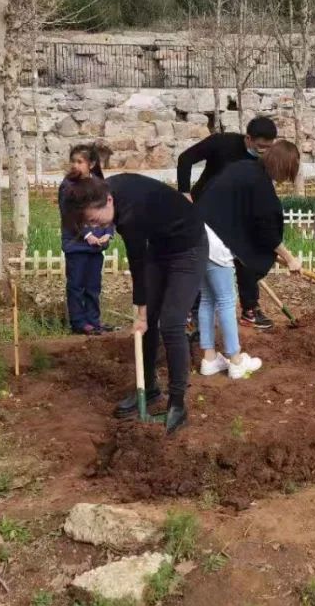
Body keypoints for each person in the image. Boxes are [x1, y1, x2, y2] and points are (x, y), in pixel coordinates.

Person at [61, 173, 207, 435]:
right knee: (148, 322)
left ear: (108, 201)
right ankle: (149, 388)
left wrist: (140, 311)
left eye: (95, 219)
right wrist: (143, 315)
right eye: (89, 223)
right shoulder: (104, 191)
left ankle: (177, 404)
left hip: (189, 247)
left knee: (171, 323)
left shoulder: (130, 213)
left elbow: (138, 265)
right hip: (160, 247)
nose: (94, 226)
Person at [196, 140, 303, 374]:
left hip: (195, 232)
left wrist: (274, 255)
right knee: (225, 300)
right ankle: (236, 362)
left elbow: (244, 222)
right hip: (215, 241)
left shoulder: (242, 168)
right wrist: (290, 258)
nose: (285, 179)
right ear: (284, 167)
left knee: (208, 299)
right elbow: (266, 231)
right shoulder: (261, 185)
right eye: (288, 172)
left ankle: (209, 359)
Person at [176, 116, 279, 330]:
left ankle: (250, 309)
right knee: (201, 258)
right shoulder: (222, 143)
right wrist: (184, 193)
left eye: (268, 147)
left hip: (236, 216)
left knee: (247, 254)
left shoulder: (262, 161)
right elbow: (185, 159)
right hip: (205, 210)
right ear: (248, 138)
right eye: (260, 146)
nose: (263, 152)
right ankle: (190, 311)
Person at [59, 145, 115, 336]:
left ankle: (93, 320)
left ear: (91, 164)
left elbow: (108, 210)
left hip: (96, 246)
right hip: (76, 245)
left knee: (93, 286)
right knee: (76, 285)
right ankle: (78, 322)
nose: (75, 165)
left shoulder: (100, 184)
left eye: (80, 162)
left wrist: (107, 233)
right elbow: (69, 215)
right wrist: (88, 235)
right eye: (73, 161)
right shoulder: (68, 186)